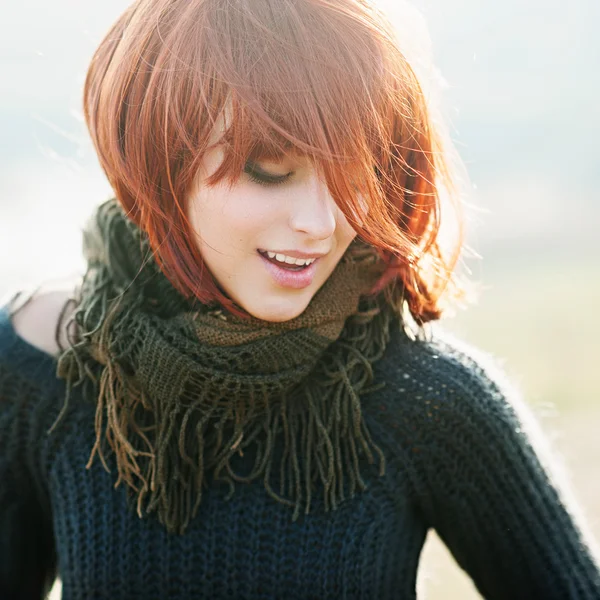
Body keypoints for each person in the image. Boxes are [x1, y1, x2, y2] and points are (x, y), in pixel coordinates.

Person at [1, 0, 599, 598]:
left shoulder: (428, 398)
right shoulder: (37, 369)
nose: (320, 221)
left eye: (356, 174)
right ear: (157, 159)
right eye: (268, 170)